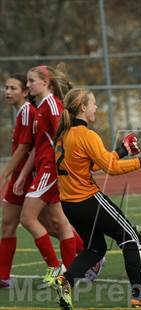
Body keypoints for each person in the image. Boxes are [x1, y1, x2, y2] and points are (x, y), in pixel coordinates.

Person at [52, 88, 141, 309]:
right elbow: (110, 168)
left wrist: (122, 150)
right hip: (87, 199)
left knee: (95, 248)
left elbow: (94, 163)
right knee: (130, 238)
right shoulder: (87, 135)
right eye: (93, 104)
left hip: (69, 204)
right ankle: (140, 296)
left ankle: (65, 280)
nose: (96, 108)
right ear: (83, 107)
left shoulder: (64, 135)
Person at [13, 65, 77, 288]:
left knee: (27, 218)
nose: (28, 85)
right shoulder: (40, 107)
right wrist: (22, 176)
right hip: (43, 169)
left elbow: (65, 138)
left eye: (31, 81)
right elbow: (38, 146)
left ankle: (56, 268)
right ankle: (71, 273)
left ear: (46, 83)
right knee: (60, 223)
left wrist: (63, 169)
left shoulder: (51, 105)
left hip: (51, 170)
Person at [0, 74, 36, 288]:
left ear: (25, 92)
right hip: (18, 177)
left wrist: (4, 174)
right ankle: (3, 276)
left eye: (14, 88)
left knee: (51, 225)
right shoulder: (21, 113)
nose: (8, 92)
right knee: (8, 224)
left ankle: (90, 256)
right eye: (6, 88)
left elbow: (24, 148)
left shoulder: (28, 112)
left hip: (29, 177)